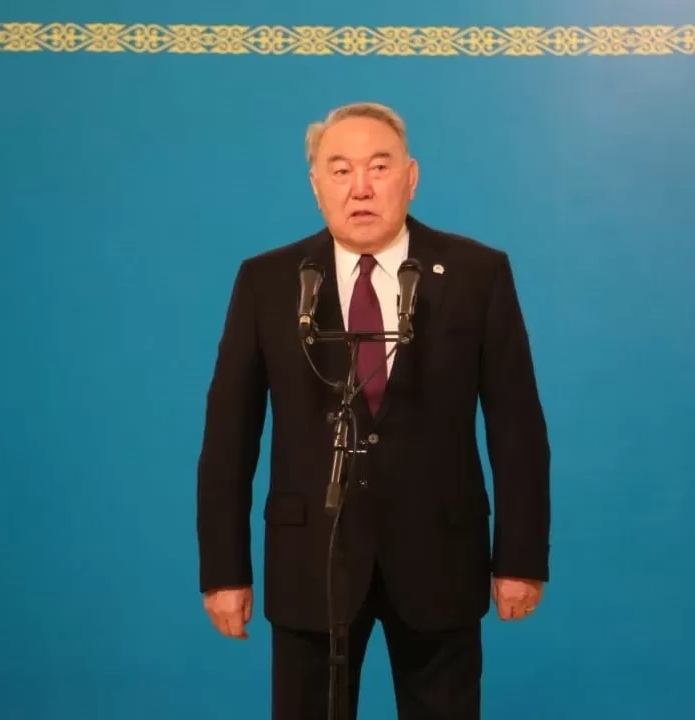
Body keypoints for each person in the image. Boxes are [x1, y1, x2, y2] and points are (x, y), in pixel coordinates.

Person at [196, 101, 551, 720]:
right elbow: (229, 437)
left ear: (411, 178)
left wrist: (520, 558)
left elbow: (517, 427)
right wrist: (224, 570)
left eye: (378, 167)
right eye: (340, 170)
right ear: (316, 186)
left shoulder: (476, 273)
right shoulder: (269, 281)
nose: (360, 187)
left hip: (441, 557)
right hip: (312, 560)